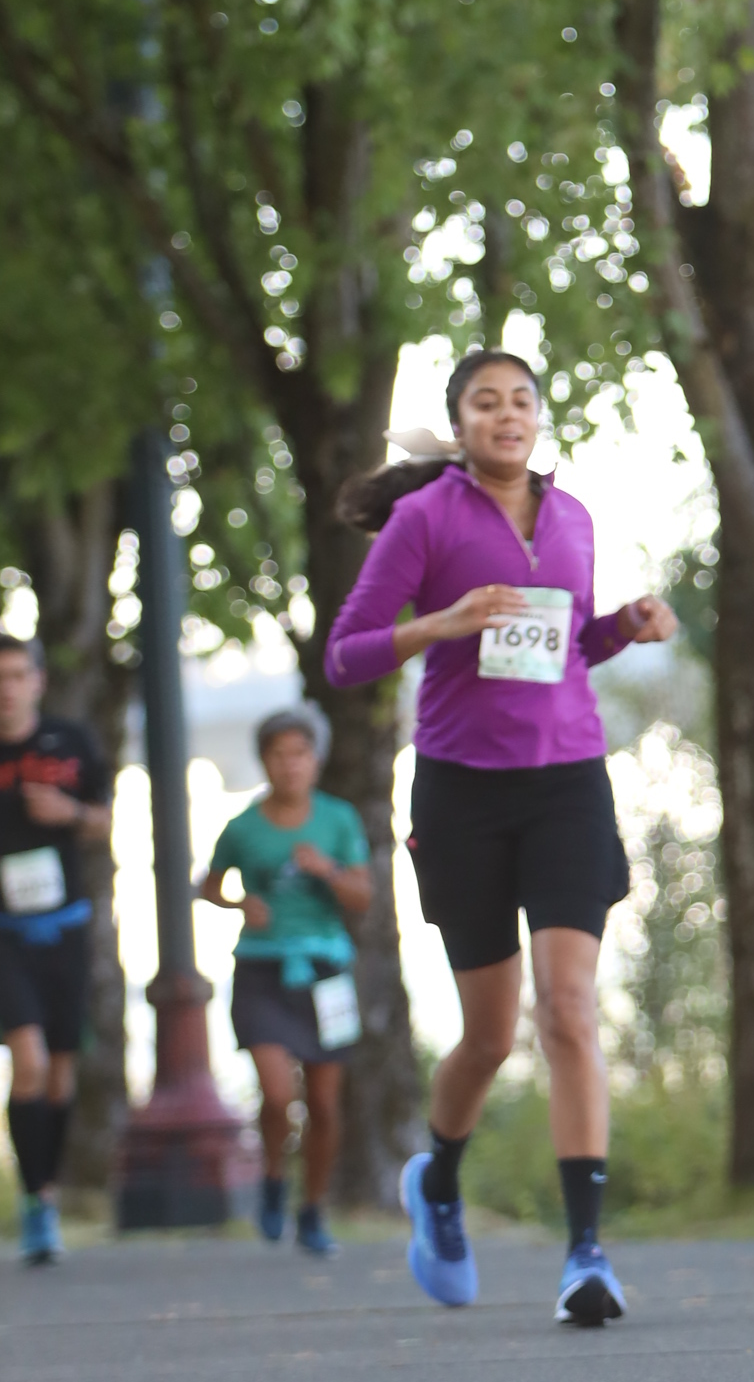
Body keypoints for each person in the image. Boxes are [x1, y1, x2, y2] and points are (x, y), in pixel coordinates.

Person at [328, 350, 677, 1325]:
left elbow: (568, 648)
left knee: (568, 1011)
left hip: (567, 781)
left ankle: (586, 1254)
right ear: (460, 423)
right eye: (486, 402)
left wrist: (624, 625)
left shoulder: (572, 518)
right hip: (463, 795)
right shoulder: (424, 519)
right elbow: (347, 654)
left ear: (537, 418)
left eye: (521, 400)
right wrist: (440, 624)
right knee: (487, 1036)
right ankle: (438, 1182)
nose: (507, 415)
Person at [196, 702, 371, 1258]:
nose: (290, 765)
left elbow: (362, 897)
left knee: (324, 1102)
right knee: (277, 1094)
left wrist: (328, 871)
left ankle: (312, 1208)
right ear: (264, 761)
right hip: (261, 968)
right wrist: (238, 902)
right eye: (279, 755)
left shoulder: (338, 820)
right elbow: (208, 885)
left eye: (300, 754)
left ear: (315, 761)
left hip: (325, 972)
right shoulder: (242, 826)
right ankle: (273, 1175)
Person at [0, 634, 113, 1265]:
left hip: (65, 928)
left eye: (18, 675)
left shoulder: (71, 742)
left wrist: (68, 813)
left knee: (61, 1069)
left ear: (38, 681)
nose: (8, 688)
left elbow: (103, 821)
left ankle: (46, 1191)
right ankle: (34, 1199)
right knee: (30, 1060)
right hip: (5, 935)